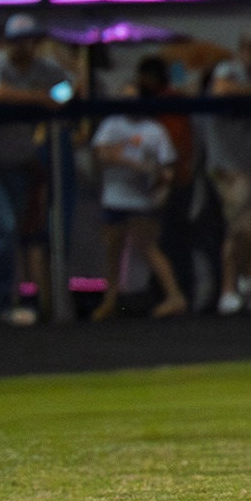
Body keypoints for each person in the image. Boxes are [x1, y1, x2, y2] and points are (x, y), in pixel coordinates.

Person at [0, 14, 61, 325]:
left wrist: (55, 98)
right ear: (7, 41)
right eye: (18, 40)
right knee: (3, 226)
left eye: (29, 39)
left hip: (19, 163)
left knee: (5, 234)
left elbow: (67, 89)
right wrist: (40, 98)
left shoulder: (43, 68)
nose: (24, 45)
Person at [89, 57, 188, 320]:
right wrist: (134, 164)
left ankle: (175, 296)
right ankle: (110, 300)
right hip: (114, 197)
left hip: (141, 201)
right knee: (113, 251)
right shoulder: (112, 124)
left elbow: (167, 165)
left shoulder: (153, 130)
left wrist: (160, 185)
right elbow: (101, 153)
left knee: (149, 248)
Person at [201, 50, 251, 314]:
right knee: (241, 228)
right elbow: (223, 88)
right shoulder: (229, 75)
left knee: (246, 228)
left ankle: (246, 287)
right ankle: (239, 287)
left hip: (249, 169)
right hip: (226, 168)